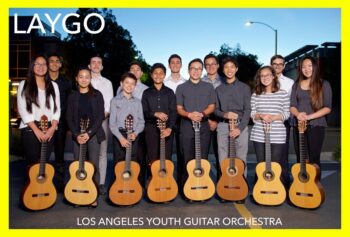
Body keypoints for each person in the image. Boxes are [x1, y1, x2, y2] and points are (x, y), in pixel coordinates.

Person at [66, 67, 105, 206]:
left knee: (93, 165)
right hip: (77, 135)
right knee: (78, 165)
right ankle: (78, 193)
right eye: (81, 76)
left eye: (87, 77)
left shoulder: (97, 95)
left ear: (90, 78)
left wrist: (89, 133)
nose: (84, 79)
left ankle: (93, 195)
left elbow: (100, 116)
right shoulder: (72, 96)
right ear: (76, 79)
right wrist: (77, 135)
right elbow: (69, 117)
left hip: (93, 134)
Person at [176, 58, 216, 189]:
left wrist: (202, 114)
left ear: (202, 70)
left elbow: (212, 106)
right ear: (188, 70)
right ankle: (187, 188)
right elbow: (179, 108)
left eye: (199, 68)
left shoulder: (208, 87)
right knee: (186, 157)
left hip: (203, 126)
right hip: (187, 125)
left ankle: (202, 186)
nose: (196, 71)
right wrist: (189, 115)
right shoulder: (181, 87)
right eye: (193, 68)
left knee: (202, 158)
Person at [290, 56, 332, 173]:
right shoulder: (296, 85)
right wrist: (298, 114)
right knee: (300, 158)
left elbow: (327, 108)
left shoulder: (324, 84)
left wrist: (308, 117)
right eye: (303, 67)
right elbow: (292, 105)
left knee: (313, 159)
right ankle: (301, 187)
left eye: (309, 66)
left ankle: (314, 187)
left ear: (315, 67)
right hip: (298, 125)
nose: (306, 69)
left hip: (316, 125)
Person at [17, 55, 60, 166]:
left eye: (44, 64)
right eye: (38, 64)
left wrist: (52, 128)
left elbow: (57, 109)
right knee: (32, 166)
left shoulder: (54, 86)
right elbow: (22, 109)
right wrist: (36, 130)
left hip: (49, 128)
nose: (41, 66)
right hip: (30, 129)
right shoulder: (24, 84)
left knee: (44, 164)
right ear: (32, 66)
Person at [250, 66, 290, 180]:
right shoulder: (255, 95)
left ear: (273, 76)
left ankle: (274, 192)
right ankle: (260, 192)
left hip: (277, 135)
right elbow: (253, 114)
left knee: (274, 166)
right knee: (261, 165)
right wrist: (261, 116)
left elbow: (287, 113)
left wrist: (273, 118)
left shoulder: (282, 94)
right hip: (259, 134)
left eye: (267, 75)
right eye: (262, 76)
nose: (265, 78)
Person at [215, 56, 251, 180]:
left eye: (232, 67)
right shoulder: (218, 89)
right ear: (222, 70)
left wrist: (239, 128)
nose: (229, 70)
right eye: (226, 67)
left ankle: (242, 188)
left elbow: (248, 111)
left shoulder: (245, 88)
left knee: (241, 159)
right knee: (223, 158)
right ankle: (224, 188)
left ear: (236, 69)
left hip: (240, 126)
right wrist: (225, 115)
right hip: (223, 126)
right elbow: (215, 110)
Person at [109, 72, 145, 182]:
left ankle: (132, 186)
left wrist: (136, 133)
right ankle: (118, 186)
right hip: (119, 135)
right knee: (119, 162)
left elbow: (141, 121)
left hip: (133, 135)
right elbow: (112, 124)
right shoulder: (115, 101)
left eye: (132, 84)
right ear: (121, 84)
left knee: (133, 161)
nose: (129, 86)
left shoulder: (138, 102)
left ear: (135, 86)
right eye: (127, 83)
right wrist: (121, 139)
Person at [142, 63, 177, 167]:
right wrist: (155, 113)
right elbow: (143, 112)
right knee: (152, 159)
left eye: (161, 73)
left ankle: (166, 182)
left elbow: (173, 112)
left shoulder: (170, 92)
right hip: (150, 129)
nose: (158, 75)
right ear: (151, 75)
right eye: (155, 73)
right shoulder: (146, 92)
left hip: (166, 130)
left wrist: (170, 128)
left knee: (166, 159)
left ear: (164, 75)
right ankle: (152, 181)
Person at [88, 55, 113, 195]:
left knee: (102, 153)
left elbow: (109, 106)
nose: (96, 65)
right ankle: (88, 181)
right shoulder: (84, 79)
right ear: (89, 65)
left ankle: (101, 182)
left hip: (102, 122)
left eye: (99, 63)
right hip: (84, 123)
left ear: (102, 66)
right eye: (93, 62)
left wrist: (97, 121)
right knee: (86, 153)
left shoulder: (107, 83)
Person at [48, 53, 71, 192]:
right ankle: (42, 182)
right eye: (51, 61)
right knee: (42, 155)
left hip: (60, 123)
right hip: (43, 123)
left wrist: (67, 124)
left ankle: (59, 184)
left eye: (57, 61)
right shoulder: (42, 80)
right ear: (48, 63)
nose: (55, 63)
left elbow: (69, 104)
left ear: (60, 64)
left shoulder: (66, 82)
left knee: (59, 155)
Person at [270, 55, 294, 188]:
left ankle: (283, 184)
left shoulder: (290, 83)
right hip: (266, 122)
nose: (277, 66)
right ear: (271, 65)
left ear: (284, 66)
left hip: (282, 122)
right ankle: (265, 182)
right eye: (275, 63)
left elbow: (291, 104)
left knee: (282, 154)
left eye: (280, 64)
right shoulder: (265, 80)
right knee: (267, 154)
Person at [164, 54, 187, 191]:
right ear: (169, 65)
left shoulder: (186, 82)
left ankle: (181, 183)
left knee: (182, 152)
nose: (175, 64)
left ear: (181, 65)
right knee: (166, 153)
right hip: (166, 122)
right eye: (172, 62)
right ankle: (166, 182)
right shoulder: (164, 82)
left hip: (183, 121)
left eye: (178, 62)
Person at [202, 53, 224, 181]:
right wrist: (208, 119)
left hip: (220, 123)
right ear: (205, 67)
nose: (210, 66)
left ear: (218, 65)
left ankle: (222, 185)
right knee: (201, 155)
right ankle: (201, 184)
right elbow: (197, 103)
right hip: (204, 122)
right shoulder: (200, 81)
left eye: (213, 64)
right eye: (207, 64)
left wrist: (216, 120)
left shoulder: (224, 81)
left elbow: (225, 104)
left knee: (221, 156)